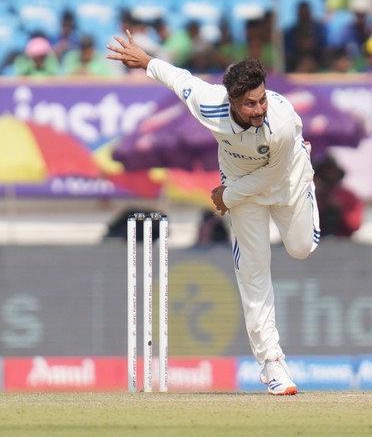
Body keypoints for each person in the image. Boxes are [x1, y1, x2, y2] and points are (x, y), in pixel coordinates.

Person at [107, 30, 320, 396]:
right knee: (253, 272)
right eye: (250, 104)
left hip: (287, 178)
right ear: (232, 102)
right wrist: (146, 61)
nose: (259, 109)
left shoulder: (280, 122)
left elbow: (272, 173)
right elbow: (181, 80)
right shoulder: (210, 104)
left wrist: (227, 194)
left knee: (301, 248)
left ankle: (307, 169)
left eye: (261, 99)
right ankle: (272, 364)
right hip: (242, 189)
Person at [314, 156, 364, 238]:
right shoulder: (312, 195)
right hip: (317, 241)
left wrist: (339, 208)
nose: (329, 175)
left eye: (331, 172)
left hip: (342, 241)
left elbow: (355, 225)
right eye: (325, 172)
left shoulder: (348, 196)